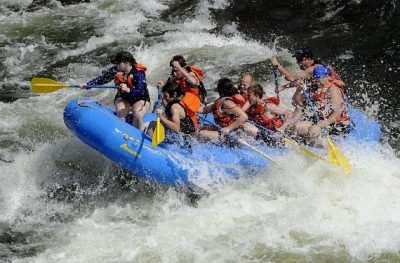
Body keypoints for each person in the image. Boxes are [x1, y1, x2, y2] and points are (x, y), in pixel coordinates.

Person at [83, 51, 150, 131]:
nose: (116, 65)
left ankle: (139, 131)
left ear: (126, 62)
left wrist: (128, 90)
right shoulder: (116, 70)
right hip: (124, 97)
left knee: (137, 113)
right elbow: (102, 79)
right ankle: (122, 130)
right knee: (121, 112)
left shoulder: (138, 73)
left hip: (140, 98)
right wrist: (87, 85)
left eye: (118, 62)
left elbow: (140, 92)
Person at [292, 65, 350, 144]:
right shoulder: (313, 88)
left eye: (320, 79)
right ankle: (306, 144)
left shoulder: (332, 90)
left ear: (326, 77)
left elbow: (337, 113)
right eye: (315, 79)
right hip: (320, 122)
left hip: (337, 125)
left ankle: (324, 149)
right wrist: (299, 89)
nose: (317, 81)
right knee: (296, 127)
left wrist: (321, 125)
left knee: (313, 130)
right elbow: (298, 102)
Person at [197, 78, 255, 144]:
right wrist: (188, 107)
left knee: (202, 134)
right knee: (199, 127)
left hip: (231, 134)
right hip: (222, 129)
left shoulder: (227, 103)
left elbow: (244, 116)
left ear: (220, 90)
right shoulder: (221, 101)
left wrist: (228, 128)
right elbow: (203, 110)